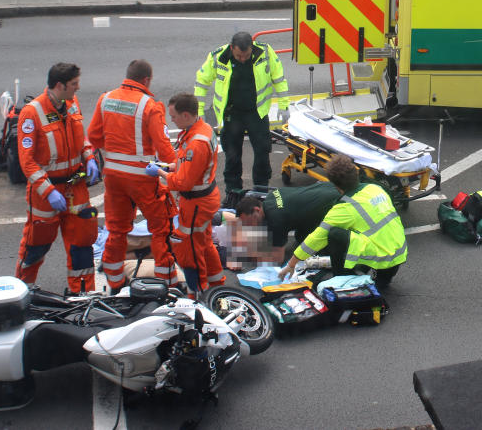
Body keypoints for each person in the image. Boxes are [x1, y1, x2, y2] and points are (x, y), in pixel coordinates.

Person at [87, 59, 178, 293]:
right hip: (142, 179)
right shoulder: (150, 105)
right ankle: (166, 282)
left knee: (117, 230)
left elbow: (94, 137)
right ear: (146, 80)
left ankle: (116, 282)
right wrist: (177, 166)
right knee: (161, 230)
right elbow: (163, 146)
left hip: (114, 177)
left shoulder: (106, 99)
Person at [15, 62, 101, 295]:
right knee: (36, 247)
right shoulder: (31, 113)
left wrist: (89, 156)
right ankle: (22, 291)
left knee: (81, 247)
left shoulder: (71, 104)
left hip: (75, 187)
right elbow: (27, 161)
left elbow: (79, 137)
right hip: (47, 194)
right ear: (60, 85)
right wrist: (48, 190)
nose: (78, 87)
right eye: (74, 84)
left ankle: (82, 296)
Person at [278, 154, 407, 288]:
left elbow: (316, 239)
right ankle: (382, 275)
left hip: (381, 257)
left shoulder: (344, 208)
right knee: (361, 228)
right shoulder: (376, 189)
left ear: (335, 185)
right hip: (398, 252)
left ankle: (342, 279)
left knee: (335, 233)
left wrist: (291, 264)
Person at [146, 93, 226, 298]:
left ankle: (198, 295)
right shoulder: (201, 130)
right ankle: (217, 285)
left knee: (189, 249)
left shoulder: (195, 143)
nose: (171, 120)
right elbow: (189, 167)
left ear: (186, 115)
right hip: (204, 198)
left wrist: (162, 173)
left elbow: (184, 182)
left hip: (195, 202)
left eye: (173, 116)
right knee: (205, 243)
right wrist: (172, 166)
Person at [194, 31, 289, 195]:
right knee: (232, 156)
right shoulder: (219, 57)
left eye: (246, 55)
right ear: (232, 48)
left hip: (256, 113)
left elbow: (278, 77)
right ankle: (233, 192)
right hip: (232, 114)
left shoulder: (265, 52)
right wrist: (199, 110)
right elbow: (202, 81)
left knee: (262, 153)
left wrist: (284, 105)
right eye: (238, 56)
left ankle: (261, 191)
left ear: (252, 47)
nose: (243, 59)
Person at [231, 182, 344, 262]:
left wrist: (250, 255)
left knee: (313, 249)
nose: (249, 226)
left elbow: (278, 259)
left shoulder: (276, 220)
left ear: (256, 210)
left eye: (249, 222)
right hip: (329, 186)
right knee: (300, 237)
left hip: (337, 203)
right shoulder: (271, 197)